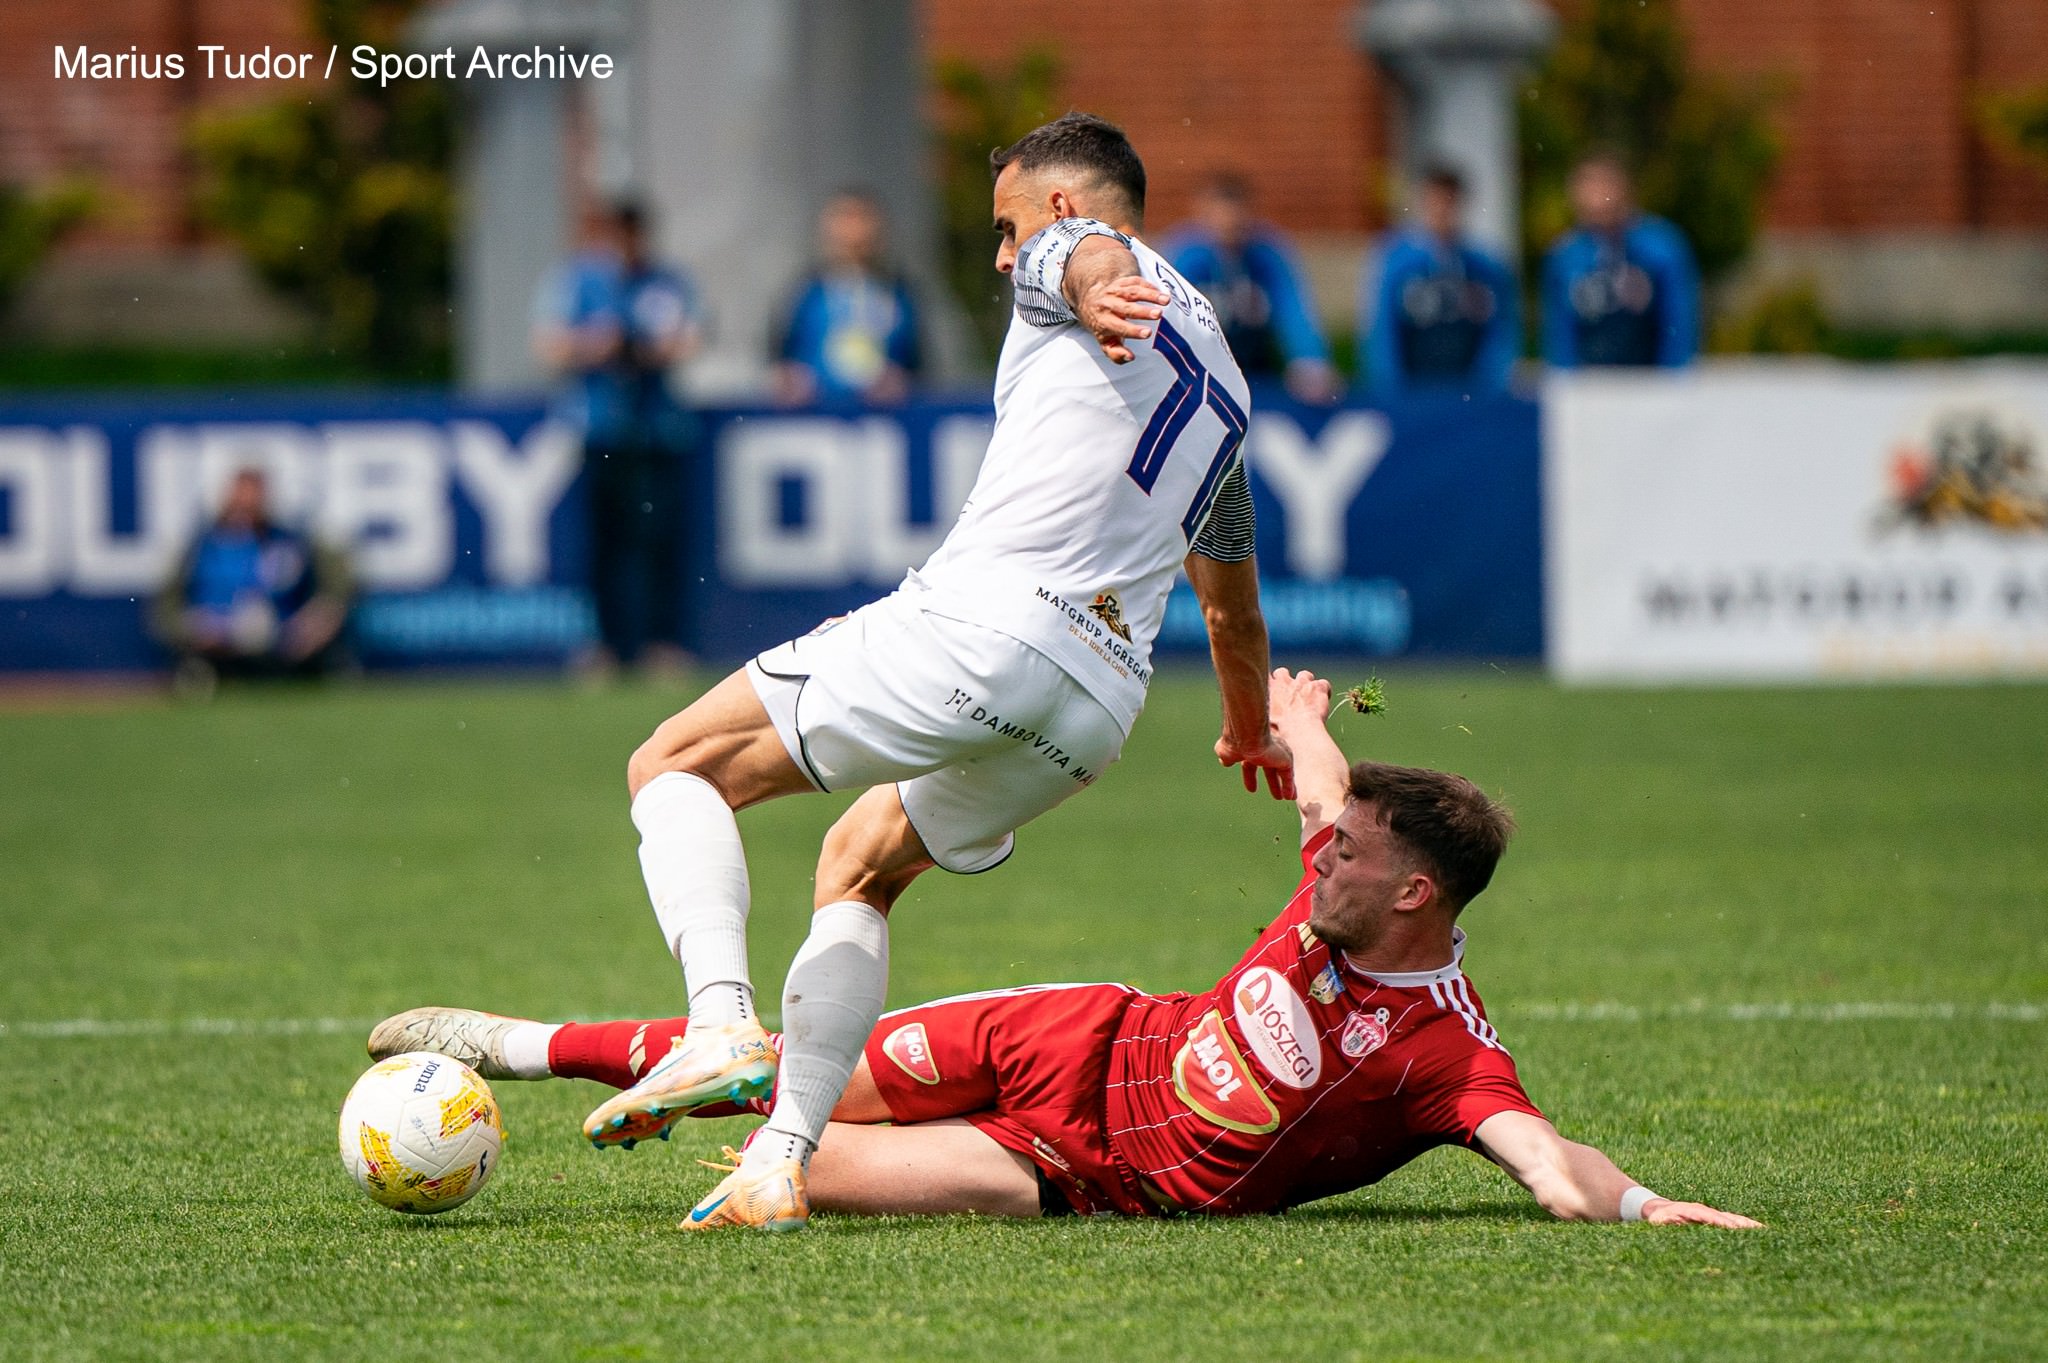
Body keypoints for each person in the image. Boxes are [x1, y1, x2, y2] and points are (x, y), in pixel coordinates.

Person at [578, 112, 1291, 1231]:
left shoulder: (1076, 261)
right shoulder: (1227, 384)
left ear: (1059, 205)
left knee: (673, 763)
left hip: (987, 632)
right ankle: (780, 1161)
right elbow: (1231, 602)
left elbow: (1075, 257)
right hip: (1095, 709)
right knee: (859, 864)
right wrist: (1249, 727)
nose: (1004, 257)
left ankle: (717, 1023)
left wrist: (1090, 277)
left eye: (1007, 228)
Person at [373, 668, 1759, 1230]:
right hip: (1072, 1037)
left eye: (1346, 854)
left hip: (1084, 1174)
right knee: (789, 1074)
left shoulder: (1441, 1050)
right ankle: (516, 1043)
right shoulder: (1349, 877)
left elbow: (1545, 1158)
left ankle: (680, 1090)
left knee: (787, 1165)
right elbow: (1327, 789)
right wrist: (1297, 715)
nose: (1317, 853)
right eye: (1328, 842)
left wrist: (1641, 1205)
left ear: (1419, 896)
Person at [532, 199, 704, 676]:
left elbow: (690, 338)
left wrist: (649, 350)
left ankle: (661, 643)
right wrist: (595, 345)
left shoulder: (665, 282)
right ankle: (604, 645)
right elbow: (547, 344)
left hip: (655, 432)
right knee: (600, 544)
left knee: (658, 542)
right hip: (599, 430)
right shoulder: (579, 280)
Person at [152, 467, 353, 695]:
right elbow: (167, 605)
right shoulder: (200, 546)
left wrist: (319, 619)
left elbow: (336, 584)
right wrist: (190, 631)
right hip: (215, 648)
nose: (246, 510)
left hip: (281, 647)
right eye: (240, 501)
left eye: (253, 502)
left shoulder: (289, 541)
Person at [1162, 172, 1340, 403]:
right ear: (1202, 215)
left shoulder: (1267, 254)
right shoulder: (1186, 256)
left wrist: (1309, 360)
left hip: (1259, 367)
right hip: (1201, 371)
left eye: (1237, 225)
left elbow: (1293, 309)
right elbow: (1169, 317)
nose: (1229, 231)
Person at [1363, 165, 1520, 397]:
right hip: (1413, 388)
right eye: (1434, 202)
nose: (1441, 211)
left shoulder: (1485, 267)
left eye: (1448, 203)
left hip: (1469, 390)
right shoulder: (1397, 263)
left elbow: (1500, 332)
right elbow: (1382, 331)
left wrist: (1493, 384)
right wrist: (1390, 388)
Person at [1541, 154, 1700, 369]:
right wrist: (1566, 381)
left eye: (1603, 185)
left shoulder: (1661, 247)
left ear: (1623, 188)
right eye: (1587, 186)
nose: (1595, 196)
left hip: (1650, 378)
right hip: (1591, 381)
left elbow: (1678, 324)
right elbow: (1560, 336)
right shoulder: (1565, 256)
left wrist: (1672, 379)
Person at [771, 188, 923, 407]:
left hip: (882, 417)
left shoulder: (899, 293)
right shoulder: (806, 293)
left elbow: (918, 361)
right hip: (817, 415)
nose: (853, 230)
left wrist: (903, 380)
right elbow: (781, 355)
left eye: (861, 217)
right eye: (844, 217)